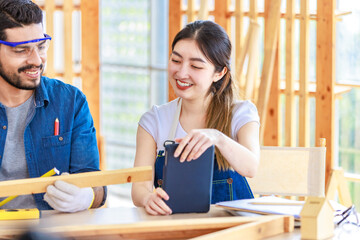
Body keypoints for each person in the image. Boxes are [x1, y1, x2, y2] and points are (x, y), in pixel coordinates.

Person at [132, 20, 260, 215]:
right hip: (174, 228)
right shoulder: (154, 121)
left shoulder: (241, 114)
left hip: (232, 231)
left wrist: (217, 137)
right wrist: (147, 198)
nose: (182, 73)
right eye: (176, 61)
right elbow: (139, 189)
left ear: (219, 73)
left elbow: (251, 167)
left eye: (196, 66)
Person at [0, 0, 106, 212]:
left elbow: (96, 186)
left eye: (41, 46)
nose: (37, 60)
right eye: (21, 50)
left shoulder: (71, 102)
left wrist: (87, 196)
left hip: (51, 232)